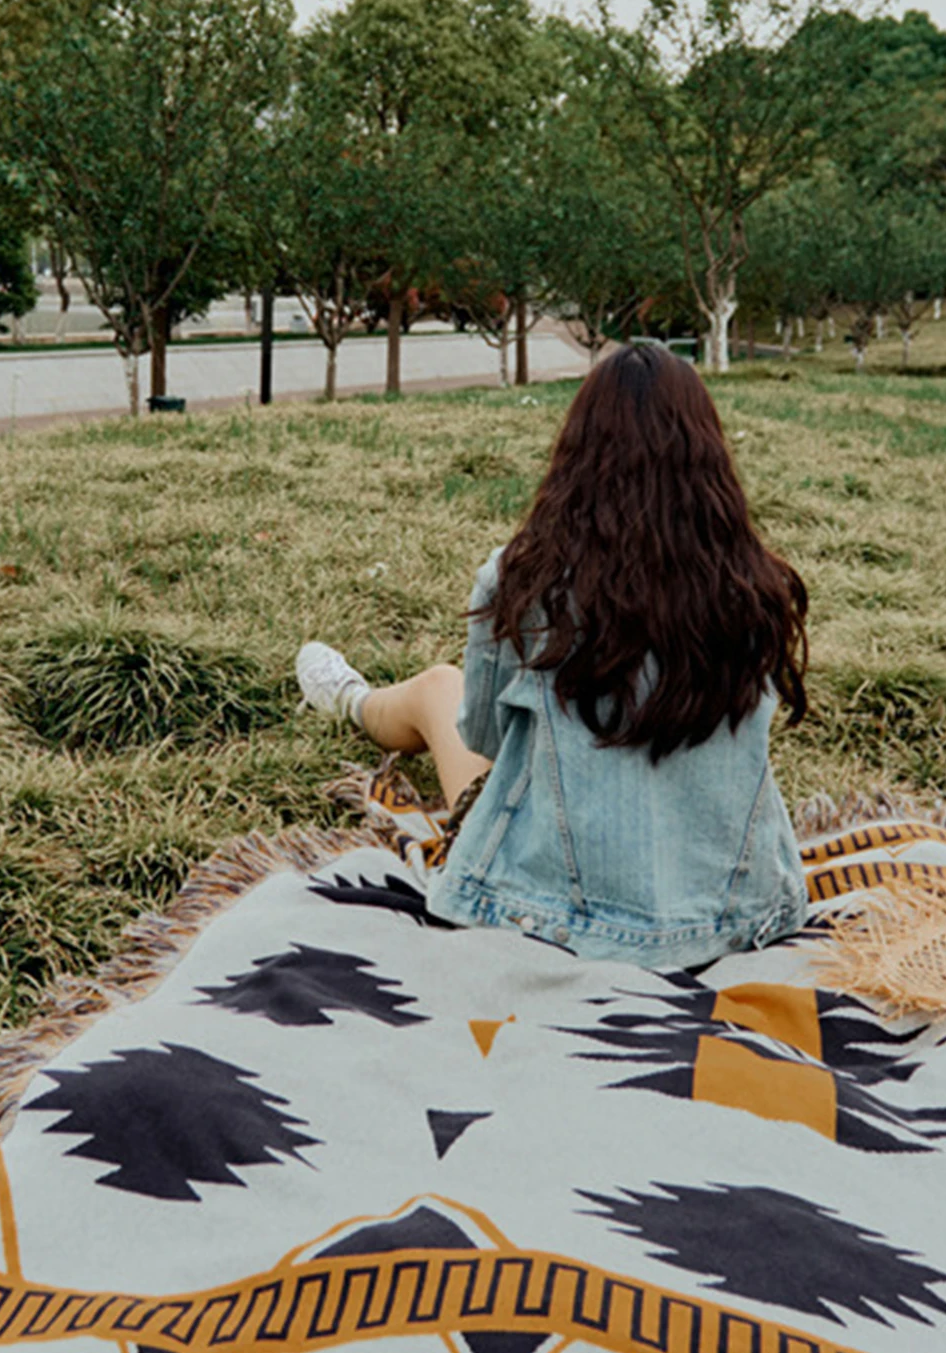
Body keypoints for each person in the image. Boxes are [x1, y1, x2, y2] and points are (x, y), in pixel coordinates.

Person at [296, 343, 810, 968]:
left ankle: (350, 700)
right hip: (740, 915)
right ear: (710, 456)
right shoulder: (758, 589)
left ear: (578, 454)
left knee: (439, 687)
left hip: (553, 914)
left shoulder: (521, 579)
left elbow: (483, 738)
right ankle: (352, 697)